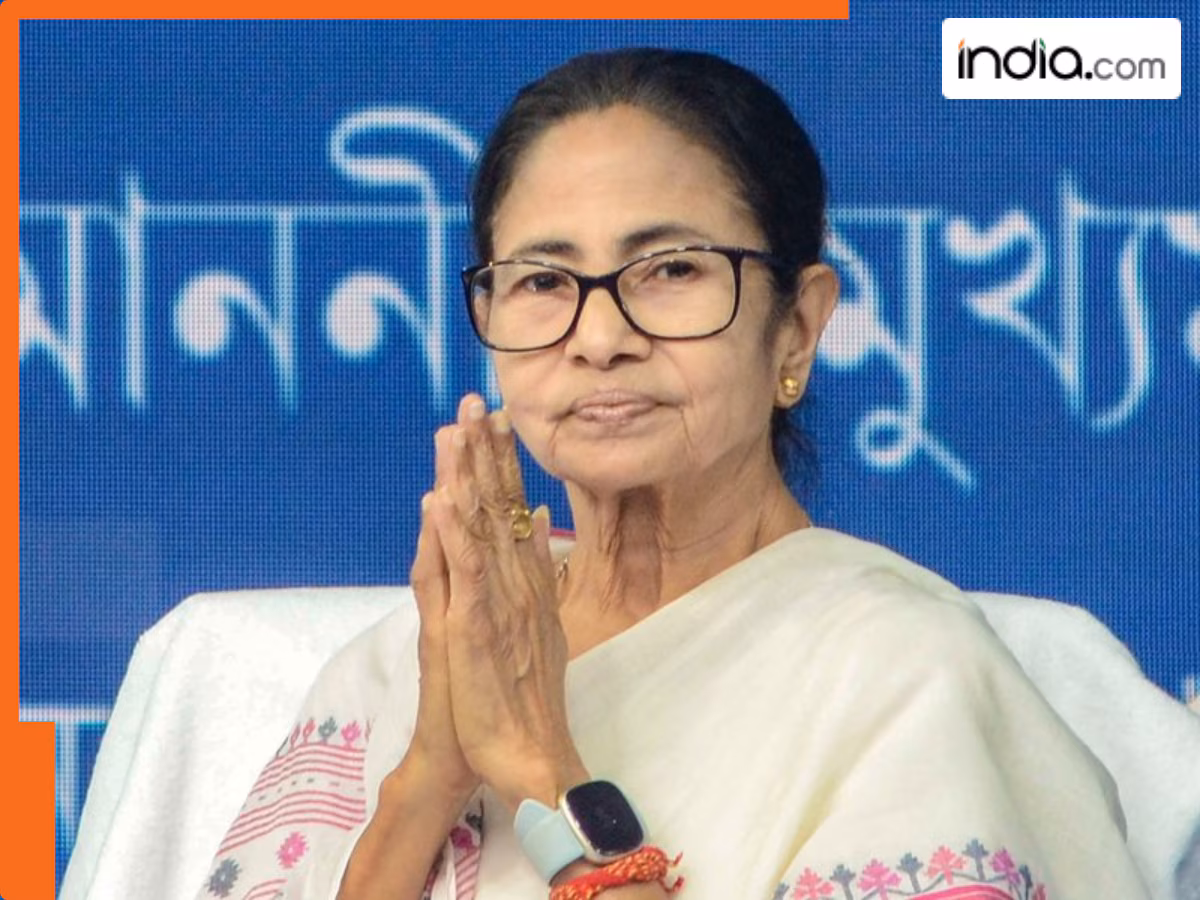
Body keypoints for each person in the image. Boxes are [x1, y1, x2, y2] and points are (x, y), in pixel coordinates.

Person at [193, 48, 1149, 900]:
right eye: (542, 281)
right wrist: (429, 776)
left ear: (798, 327)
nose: (600, 337)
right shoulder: (412, 661)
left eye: (672, 270)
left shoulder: (906, 679)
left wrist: (542, 769)